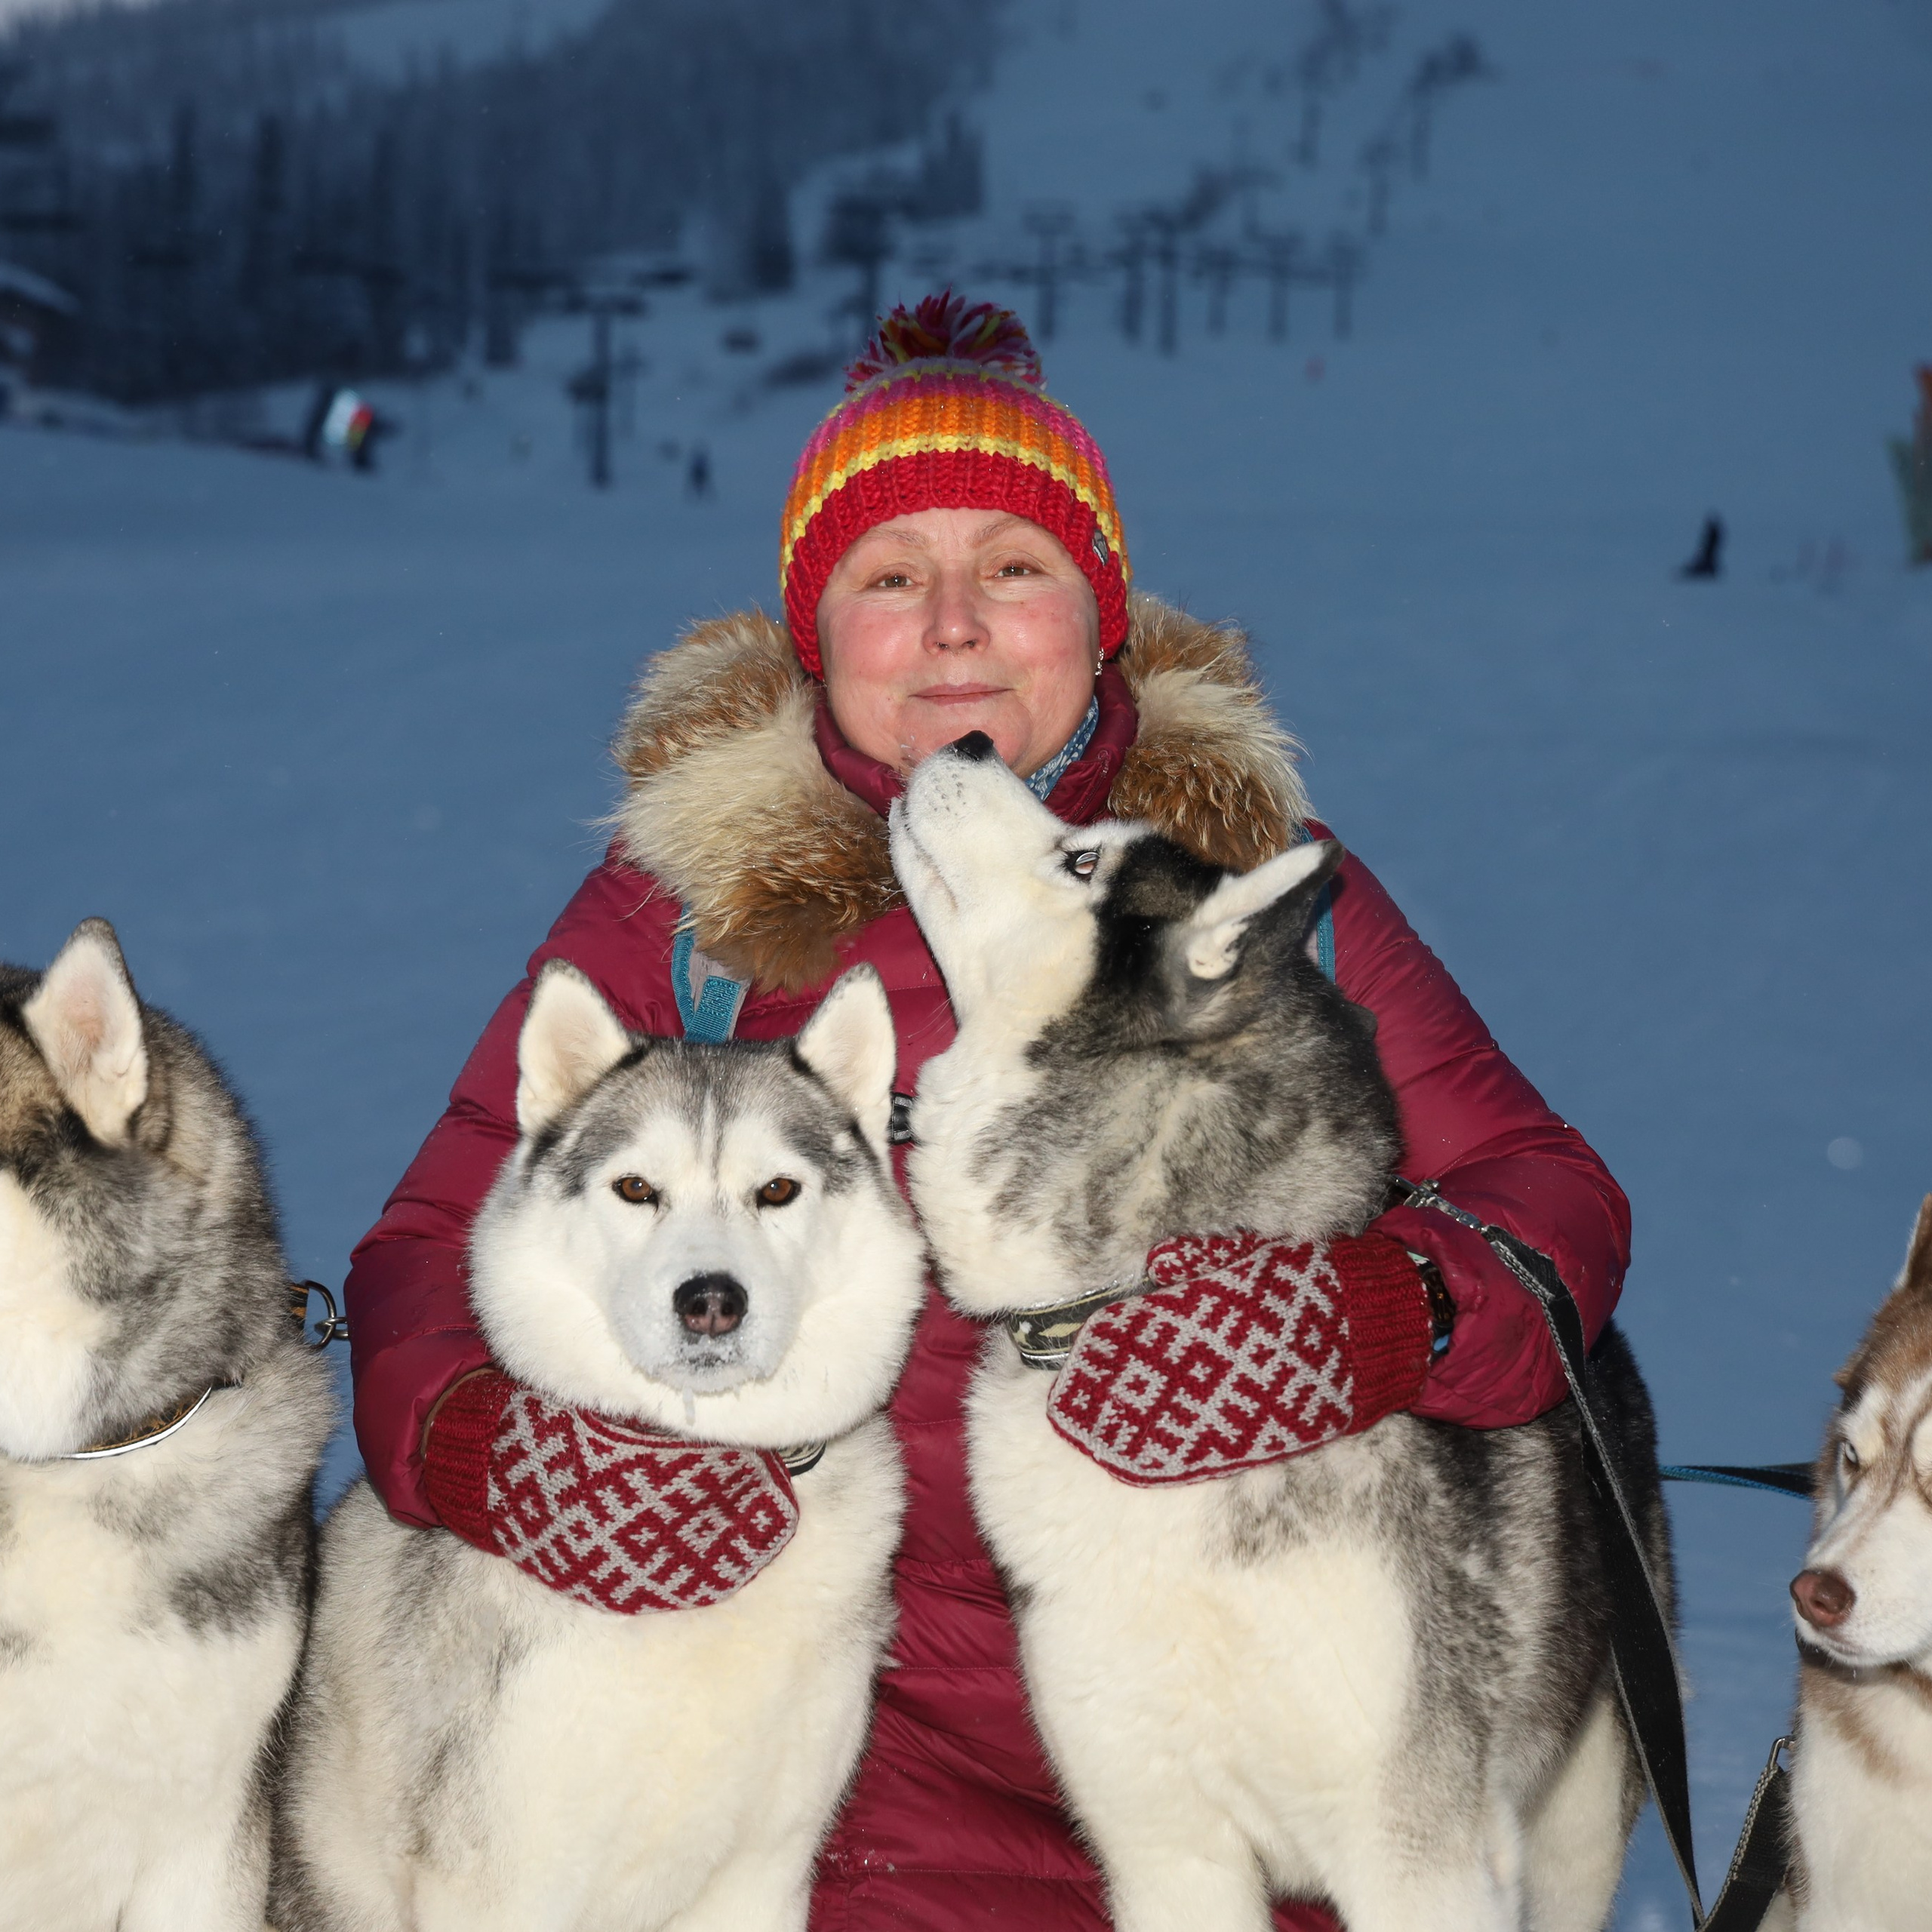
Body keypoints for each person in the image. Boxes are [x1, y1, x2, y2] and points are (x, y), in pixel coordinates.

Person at [345, 292, 1629, 1931]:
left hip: (1254, 1721)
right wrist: (485, 1448)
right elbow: (425, 1247)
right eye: (890, 580)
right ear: (819, 636)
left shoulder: (1237, 895)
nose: (954, 626)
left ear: (1099, 619)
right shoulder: (692, 917)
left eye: (1013, 568)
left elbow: (1545, 1192)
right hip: (847, 1774)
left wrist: (1388, 1312)